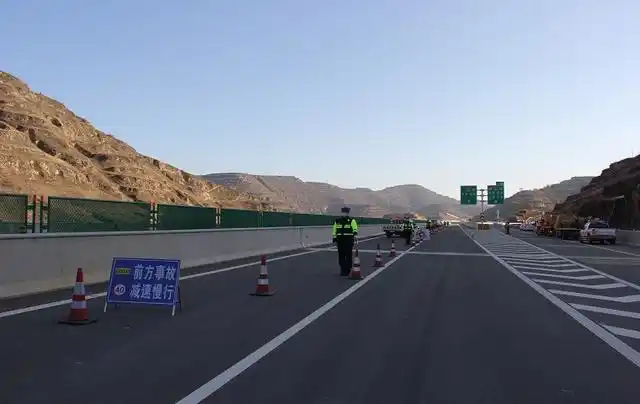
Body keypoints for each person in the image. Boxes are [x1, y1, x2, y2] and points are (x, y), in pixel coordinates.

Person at [332, 206, 359, 276]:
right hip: (340, 240)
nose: (344, 214)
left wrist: (355, 235)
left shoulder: (352, 221)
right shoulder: (337, 221)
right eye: (343, 212)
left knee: (348, 255)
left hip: (348, 240)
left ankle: (348, 269)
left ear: (347, 213)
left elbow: (355, 229)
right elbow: (334, 230)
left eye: (345, 212)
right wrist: (334, 238)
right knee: (341, 255)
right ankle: (342, 269)